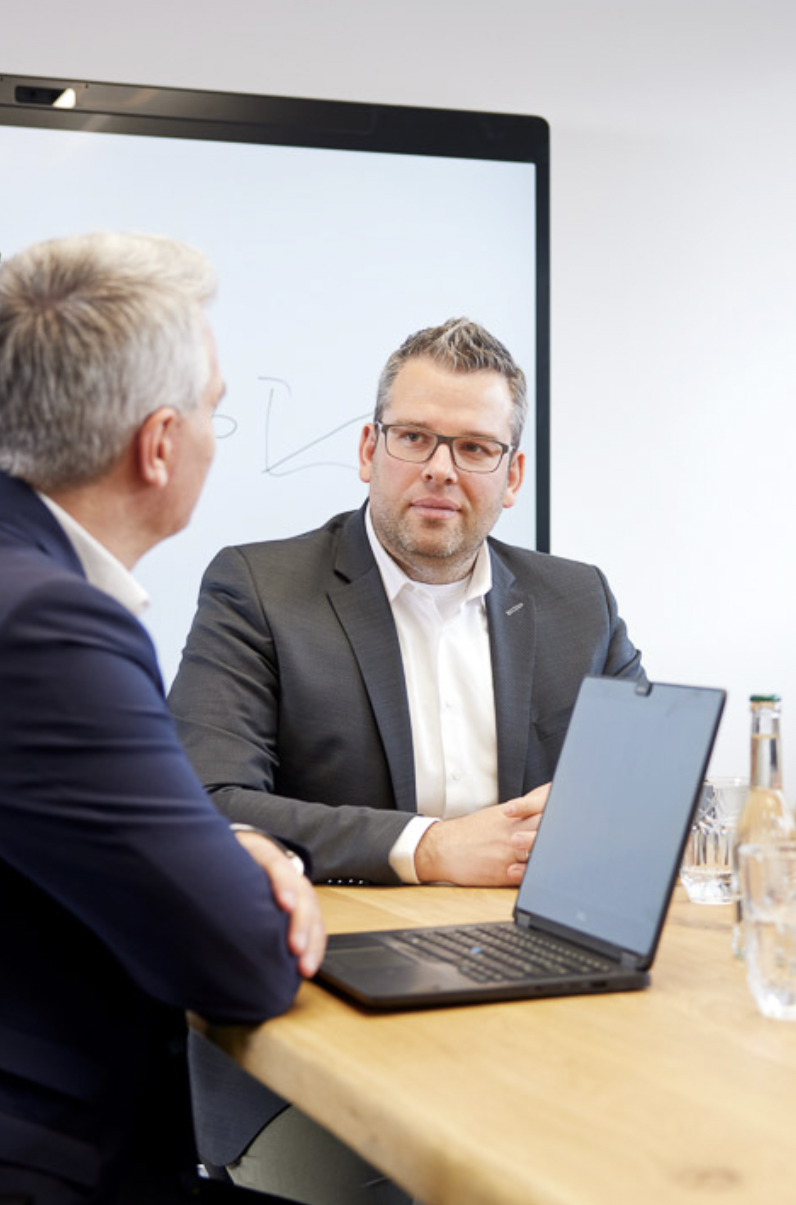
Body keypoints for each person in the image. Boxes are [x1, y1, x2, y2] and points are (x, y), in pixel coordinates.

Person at [0, 232, 418, 1205]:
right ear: (159, 444)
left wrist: (219, 852)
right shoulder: (48, 624)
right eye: (218, 413)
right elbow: (238, 963)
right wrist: (262, 860)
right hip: (35, 1202)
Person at [167, 316, 644, 888]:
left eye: (474, 448)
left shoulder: (580, 603)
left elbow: (646, 792)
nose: (440, 470)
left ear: (513, 476)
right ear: (370, 450)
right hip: (345, 940)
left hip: (529, 937)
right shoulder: (258, 590)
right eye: (414, 437)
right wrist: (430, 848)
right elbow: (205, 801)